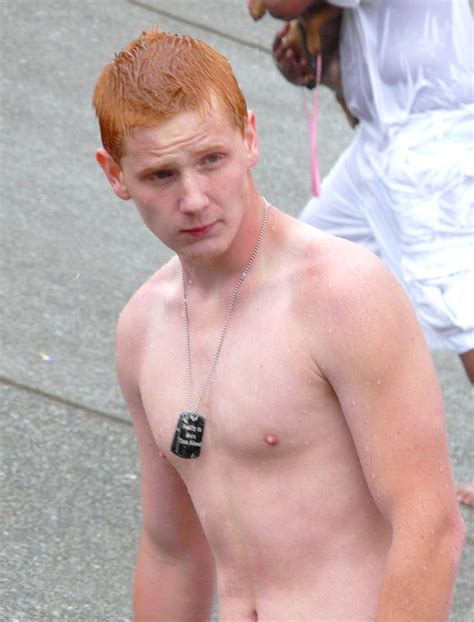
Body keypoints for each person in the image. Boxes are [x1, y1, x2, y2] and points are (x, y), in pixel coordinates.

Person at [93, 28, 464, 621]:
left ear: (249, 138)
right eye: (161, 175)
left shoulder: (341, 294)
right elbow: (172, 552)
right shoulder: (142, 328)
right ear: (116, 176)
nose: (193, 198)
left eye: (211, 160)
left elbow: (430, 525)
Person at [266, 0, 474, 506]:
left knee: (465, 316)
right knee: (306, 270)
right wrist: (320, 60)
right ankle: (306, 449)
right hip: (387, 142)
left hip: (436, 150)